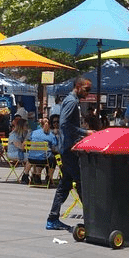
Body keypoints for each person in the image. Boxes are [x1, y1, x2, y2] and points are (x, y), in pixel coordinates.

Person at [46, 78, 92, 231]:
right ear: (77, 87)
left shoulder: (71, 100)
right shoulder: (72, 102)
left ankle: (53, 218)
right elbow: (64, 124)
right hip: (69, 149)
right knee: (81, 182)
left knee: (65, 184)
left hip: (67, 147)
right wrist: (85, 132)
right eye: (86, 89)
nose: (88, 93)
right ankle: (93, 217)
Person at [28, 117, 59, 184]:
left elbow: (29, 140)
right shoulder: (51, 135)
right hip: (43, 158)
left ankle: (37, 175)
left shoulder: (34, 132)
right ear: (50, 125)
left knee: (42, 155)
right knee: (52, 159)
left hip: (31, 158)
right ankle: (49, 177)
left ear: (40, 125)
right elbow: (55, 147)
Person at [6, 114, 32, 184]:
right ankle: (25, 175)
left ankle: (33, 175)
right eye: (26, 125)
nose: (27, 127)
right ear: (21, 126)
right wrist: (26, 139)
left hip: (20, 153)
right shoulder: (14, 135)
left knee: (34, 156)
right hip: (13, 153)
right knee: (32, 157)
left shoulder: (22, 134)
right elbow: (22, 147)